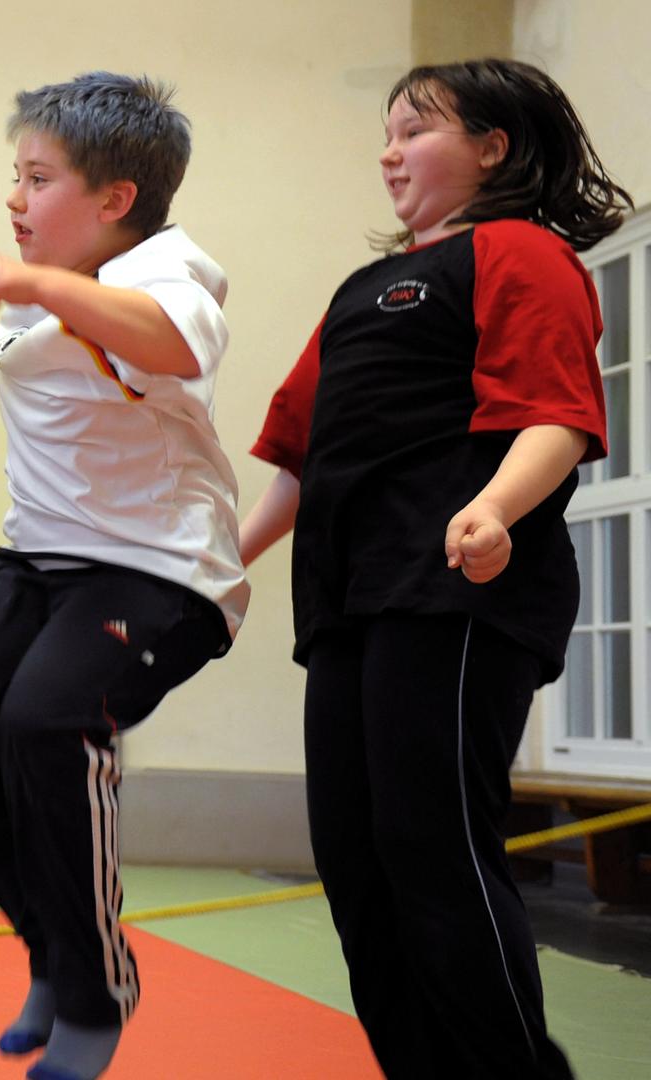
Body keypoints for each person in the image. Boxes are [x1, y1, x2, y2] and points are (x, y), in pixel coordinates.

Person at [238, 58, 631, 1079]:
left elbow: (557, 414)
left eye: (414, 130)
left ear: (492, 148)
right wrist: (218, 563)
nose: (389, 152)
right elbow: (299, 454)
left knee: (436, 854)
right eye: (386, 132)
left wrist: (495, 511)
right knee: (359, 869)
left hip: (456, 591)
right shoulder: (362, 288)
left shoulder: (521, 254)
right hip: (349, 602)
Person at [0, 73, 247, 1080]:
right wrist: (37, 280)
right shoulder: (48, 273)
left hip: (158, 572)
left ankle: (98, 993)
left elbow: (170, 341)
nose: (15, 200)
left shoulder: (174, 272)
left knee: (47, 724)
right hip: (41, 560)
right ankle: (52, 952)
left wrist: (38, 284)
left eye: (40, 179)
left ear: (116, 200)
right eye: (15, 176)